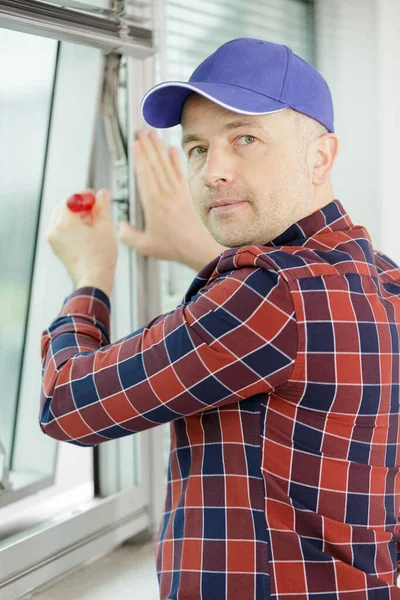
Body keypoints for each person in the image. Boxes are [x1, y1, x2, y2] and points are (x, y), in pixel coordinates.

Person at [41, 37, 400, 599]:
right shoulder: (382, 280)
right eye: (197, 149)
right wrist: (207, 260)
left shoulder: (267, 295)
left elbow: (65, 404)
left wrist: (91, 276)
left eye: (246, 139)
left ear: (321, 156)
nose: (213, 171)